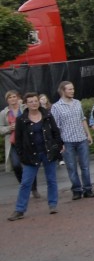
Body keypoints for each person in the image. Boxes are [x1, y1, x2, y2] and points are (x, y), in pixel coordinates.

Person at [7, 93, 62, 221]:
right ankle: (19, 209)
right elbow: (18, 139)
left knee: (51, 180)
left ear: (39, 102)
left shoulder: (47, 115)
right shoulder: (21, 119)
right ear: (26, 104)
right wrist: (21, 154)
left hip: (48, 152)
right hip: (31, 155)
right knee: (26, 182)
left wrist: (57, 146)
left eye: (35, 101)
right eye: (30, 101)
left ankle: (53, 205)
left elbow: (55, 131)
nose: (34, 103)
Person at [50, 81, 94, 200]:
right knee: (71, 167)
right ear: (62, 91)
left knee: (85, 166)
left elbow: (82, 119)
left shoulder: (77, 103)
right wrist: (59, 143)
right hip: (67, 141)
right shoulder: (56, 107)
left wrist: (88, 135)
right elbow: (55, 127)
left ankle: (88, 189)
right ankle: (76, 190)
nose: (72, 91)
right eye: (69, 89)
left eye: (73, 89)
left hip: (81, 138)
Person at [2, 90, 39, 201]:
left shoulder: (24, 109)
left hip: (27, 142)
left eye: (14, 97)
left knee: (31, 164)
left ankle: (34, 188)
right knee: (17, 165)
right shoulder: (4, 113)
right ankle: (24, 186)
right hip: (13, 143)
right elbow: (0, 128)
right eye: (10, 97)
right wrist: (9, 128)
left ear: (18, 98)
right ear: (7, 100)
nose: (13, 99)